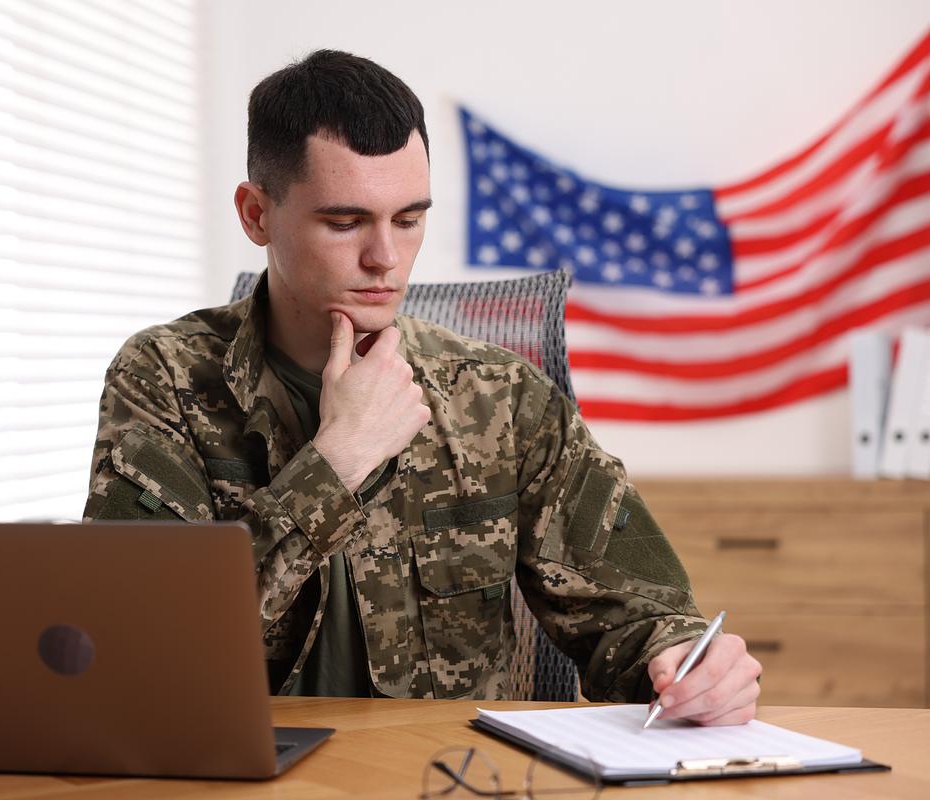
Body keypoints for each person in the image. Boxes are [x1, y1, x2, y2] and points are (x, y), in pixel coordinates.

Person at [84, 49, 762, 724]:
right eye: (345, 222)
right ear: (257, 215)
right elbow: (137, 648)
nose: (385, 257)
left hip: (449, 777)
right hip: (245, 774)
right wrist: (337, 460)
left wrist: (687, 663)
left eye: (408, 220)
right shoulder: (163, 378)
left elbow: (638, 613)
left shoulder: (502, 397)